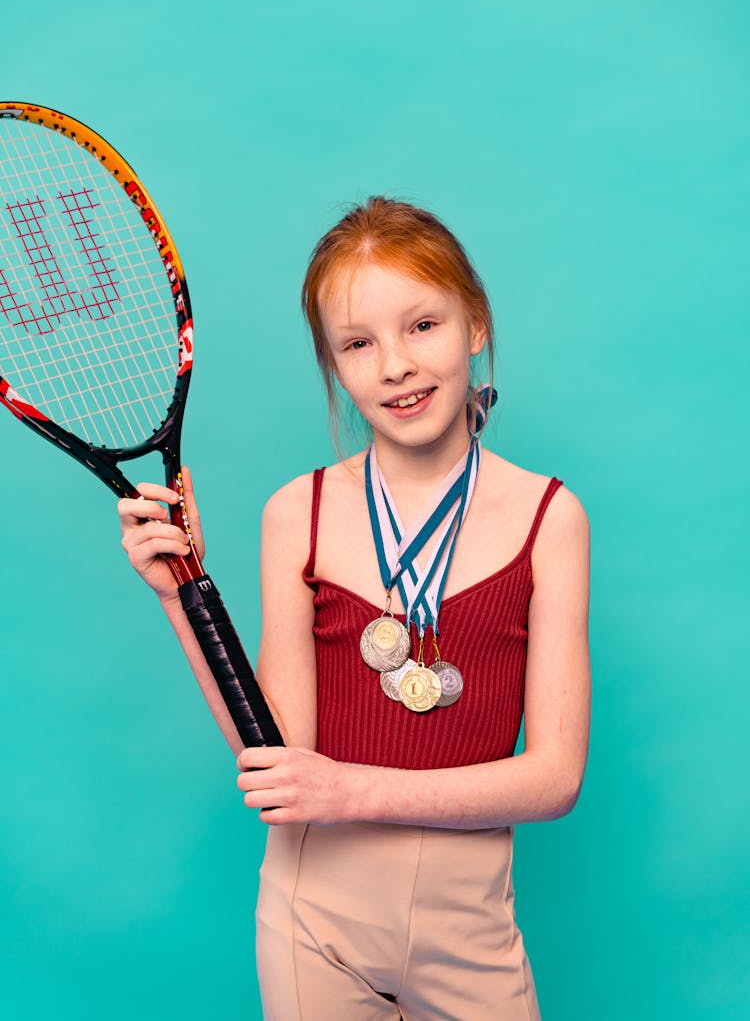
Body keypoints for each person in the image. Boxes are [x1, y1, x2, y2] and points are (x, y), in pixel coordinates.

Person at [117, 196, 591, 1020]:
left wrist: (353, 790)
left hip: (469, 929)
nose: (396, 365)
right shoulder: (292, 512)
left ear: (474, 324)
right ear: (333, 366)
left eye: (422, 325)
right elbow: (280, 756)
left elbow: (554, 778)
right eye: (358, 343)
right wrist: (178, 597)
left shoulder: (551, 517)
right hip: (312, 916)